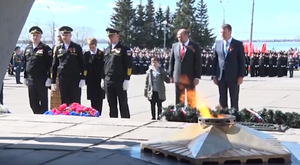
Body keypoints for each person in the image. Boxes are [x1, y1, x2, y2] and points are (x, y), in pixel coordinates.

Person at [212, 24, 245, 111]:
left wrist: (241, 76)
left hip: (234, 77)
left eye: (224, 32)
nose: (222, 34)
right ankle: (223, 116)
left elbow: (242, 61)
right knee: (222, 98)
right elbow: (215, 61)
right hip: (221, 76)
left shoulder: (238, 44)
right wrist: (214, 76)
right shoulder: (218, 44)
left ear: (230, 32)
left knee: (234, 98)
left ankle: (234, 116)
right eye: (221, 32)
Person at [51, 26, 85, 105]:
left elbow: (82, 64)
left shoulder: (77, 47)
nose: (65, 37)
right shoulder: (58, 48)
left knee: (75, 101)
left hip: (75, 78)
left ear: (70, 36)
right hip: (63, 79)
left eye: (67, 35)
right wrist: (53, 81)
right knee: (64, 101)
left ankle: (76, 116)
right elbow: (54, 65)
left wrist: (83, 77)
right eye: (63, 35)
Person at [104, 28, 132, 118]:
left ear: (117, 36)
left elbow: (129, 65)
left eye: (112, 35)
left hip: (120, 80)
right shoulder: (107, 50)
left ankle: (126, 122)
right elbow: (104, 65)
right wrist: (102, 78)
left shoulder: (125, 49)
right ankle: (113, 122)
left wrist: (127, 78)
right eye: (109, 36)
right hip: (109, 81)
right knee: (111, 105)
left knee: (123, 104)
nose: (110, 37)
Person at [169, 28, 201, 107]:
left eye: (180, 36)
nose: (178, 38)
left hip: (190, 77)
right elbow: (171, 61)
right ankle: (179, 115)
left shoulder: (195, 46)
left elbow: (198, 62)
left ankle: (191, 115)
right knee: (179, 99)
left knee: (191, 99)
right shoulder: (175, 46)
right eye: (178, 36)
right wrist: (170, 75)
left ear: (186, 35)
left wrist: (197, 77)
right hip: (178, 77)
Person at [23, 26, 52, 114]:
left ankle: (43, 117)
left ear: (40, 36)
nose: (35, 37)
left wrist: (49, 78)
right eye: (33, 35)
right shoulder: (27, 48)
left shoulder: (46, 48)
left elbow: (51, 64)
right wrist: (25, 77)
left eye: (37, 35)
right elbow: (25, 63)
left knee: (43, 101)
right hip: (31, 79)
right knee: (33, 101)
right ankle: (37, 114)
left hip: (42, 79)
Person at [83, 38, 105, 115]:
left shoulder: (101, 54)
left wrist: (103, 78)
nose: (91, 46)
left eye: (92, 45)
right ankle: (94, 113)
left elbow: (104, 67)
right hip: (90, 80)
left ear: (95, 44)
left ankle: (99, 113)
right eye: (89, 45)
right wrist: (84, 78)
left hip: (99, 80)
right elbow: (84, 67)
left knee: (99, 99)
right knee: (92, 99)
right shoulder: (86, 54)